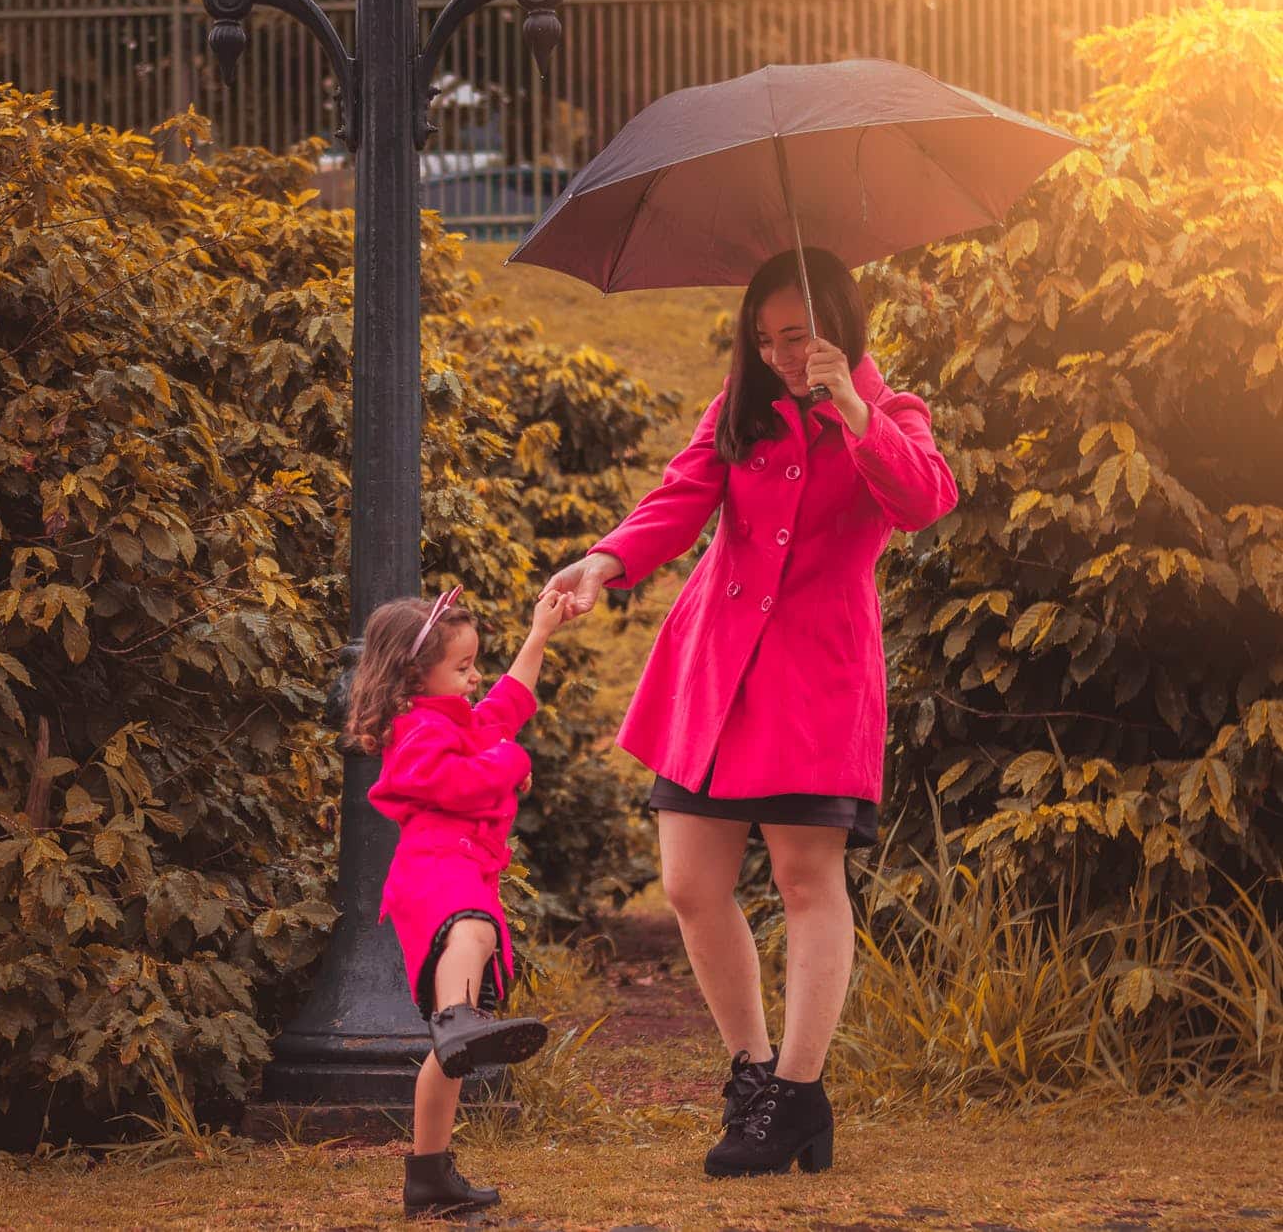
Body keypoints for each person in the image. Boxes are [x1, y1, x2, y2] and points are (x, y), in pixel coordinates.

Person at [541, 246, 958, 1178]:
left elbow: (925, 499)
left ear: (839, 330)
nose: (778, 353)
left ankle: (799, 1096)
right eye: (764, 338)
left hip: (815, 677)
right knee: (689, 882)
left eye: (796, 334)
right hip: (716, 669)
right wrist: (603, 563)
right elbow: (679, 499)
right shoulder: (738, 411)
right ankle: (752, 1074)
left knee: (808, 880)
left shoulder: (890, 414)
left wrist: (852, 408)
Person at [346, 584, 578, 1217]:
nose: (476, 677)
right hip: (434, 872)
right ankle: (457, 1022)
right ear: (416, 675)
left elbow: (509, 703)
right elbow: (455, 781)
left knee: (449, 1056)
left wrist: (540, 633)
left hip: (465, 873)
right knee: (472, 933)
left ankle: (429, 1177)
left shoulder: (458, 719)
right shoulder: (416, 730)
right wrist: (509, 762)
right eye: (463, 667)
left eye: (476, 664)